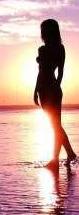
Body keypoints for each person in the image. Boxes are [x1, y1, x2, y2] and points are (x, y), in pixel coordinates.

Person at [34, 18, 77, 170]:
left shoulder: (58, 48)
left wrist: (55, 89)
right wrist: (35, 91)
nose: (42, 34)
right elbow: (41, 73)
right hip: (44, 91)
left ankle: (57, 159)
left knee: (56, 126)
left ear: (49, 31)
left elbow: (60, 72)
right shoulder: (43, 49)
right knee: (56, 126)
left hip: (51, 90)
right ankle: (69, 154)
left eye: (44, 30)